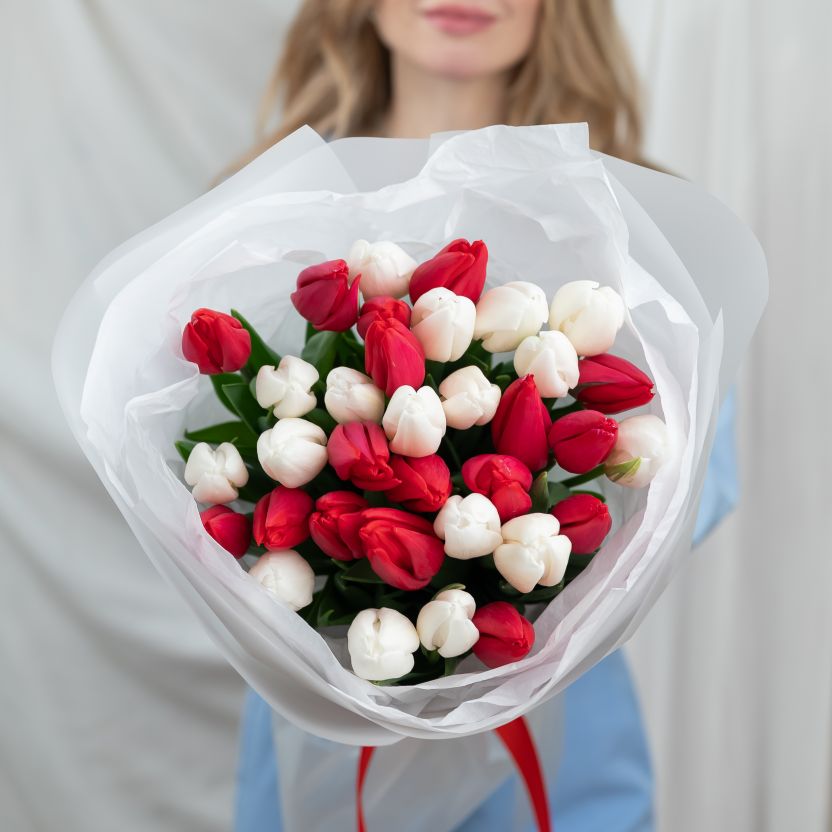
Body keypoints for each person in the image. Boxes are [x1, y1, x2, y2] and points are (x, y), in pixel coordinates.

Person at [232, 2, 738, 830]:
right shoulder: (264, 213)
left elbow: (702, 474)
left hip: (554, 711)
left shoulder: (626, 223)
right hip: (326, 726)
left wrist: (533, 556)